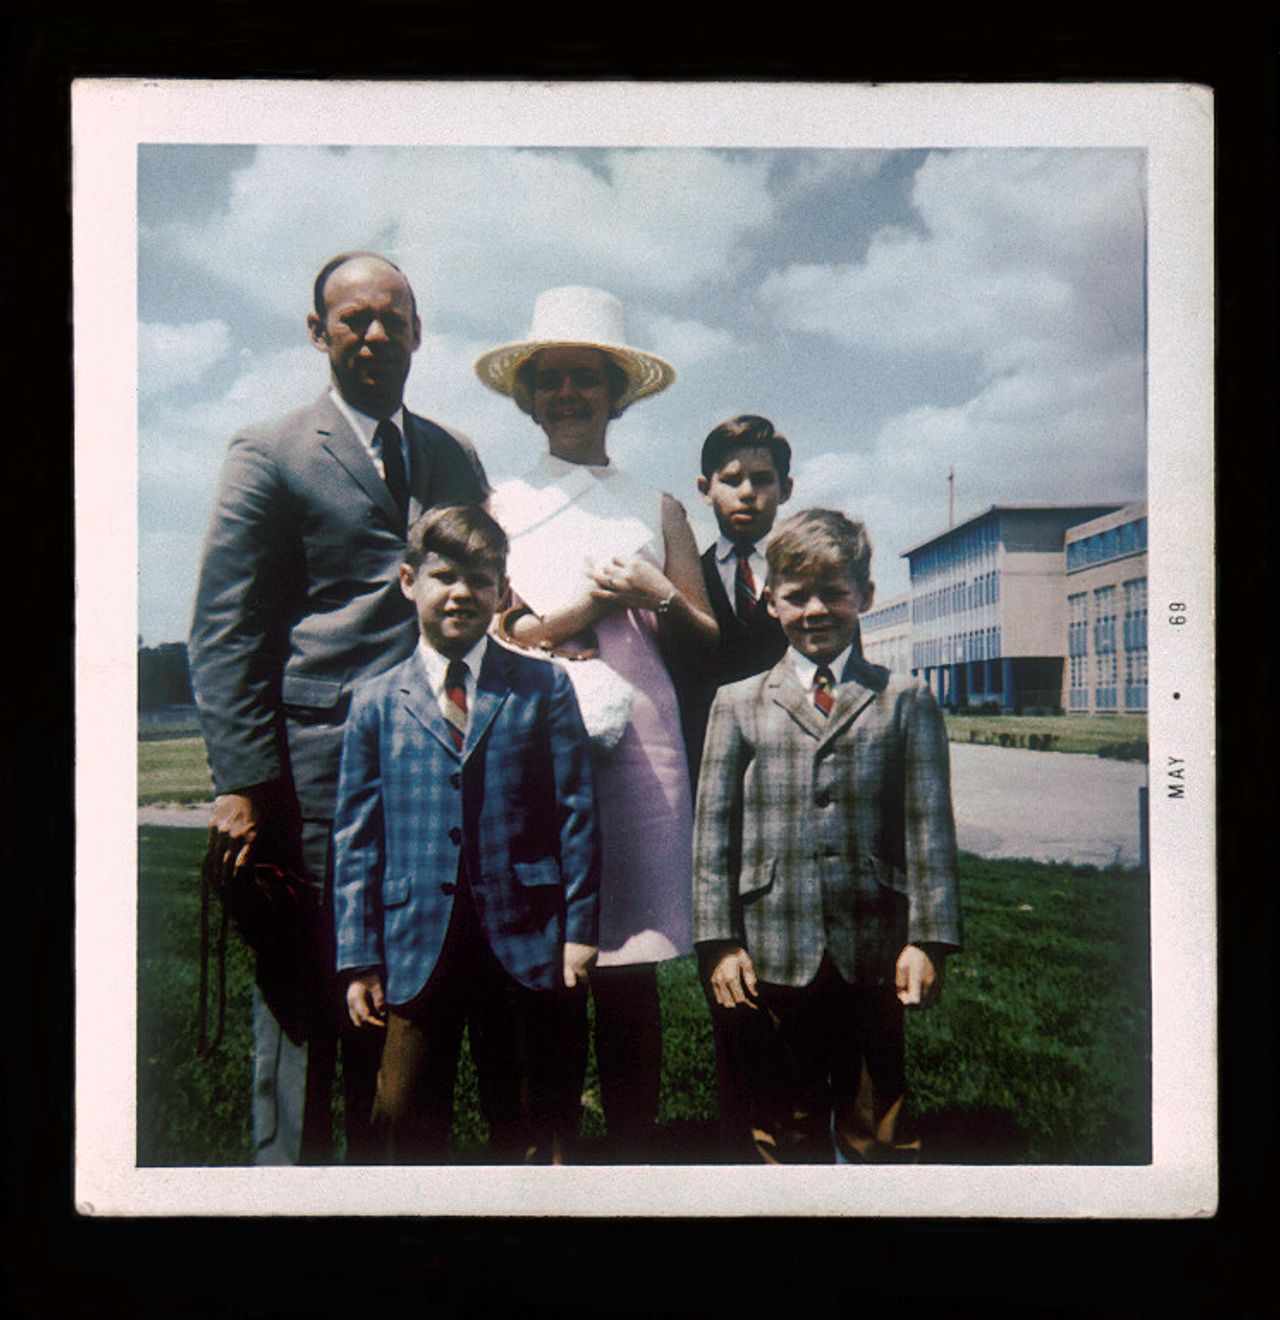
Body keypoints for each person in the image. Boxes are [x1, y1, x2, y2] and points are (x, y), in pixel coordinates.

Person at [188, 251, 489, 1164]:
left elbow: (478, 597)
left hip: (434, 778)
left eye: (392, 318)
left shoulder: (452, 454)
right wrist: (246, 783)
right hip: (313, 781)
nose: (373, 333)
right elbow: (225, 627)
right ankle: (287, 1204)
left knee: (404, 1011)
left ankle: (392, 1201)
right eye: (352, 318)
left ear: (418, 333)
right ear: (317, 332)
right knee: (305, 1013)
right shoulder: (270, 451)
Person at [474, 286, 718, 1159]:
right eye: (551, 381)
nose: (568, 395)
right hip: (534, 751)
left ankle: (632, 1149)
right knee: (545, 952)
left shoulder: (657, 508)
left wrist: (654, 592)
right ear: (528, 397)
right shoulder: (500, 505)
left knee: (627, 969)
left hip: (642, 752)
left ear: (618, 393)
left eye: (587, 379)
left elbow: (704, 637)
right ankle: (546, 1147)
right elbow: (490, 630)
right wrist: (573, 611)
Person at [692, 509, 963, 1162]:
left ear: (864, 596)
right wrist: (719, 942)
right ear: (769, 599)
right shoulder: (738, 702)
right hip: (774, 947)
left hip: (875, 948)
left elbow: (929, 830)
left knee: (881, 1128)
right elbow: (712, 838)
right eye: (797, 594)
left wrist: (928, 940)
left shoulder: (905, 699)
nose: (816, 610)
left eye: (835, 593)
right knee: (782, 1126)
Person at [333, 505, 599, 1163]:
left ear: (503, 592)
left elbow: (577, 812)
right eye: (443, 576)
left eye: (480, 579)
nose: (460, 594)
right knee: (402, 1117)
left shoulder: (543, 685)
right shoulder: (375, 701)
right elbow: (356, 838)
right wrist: (358, 954)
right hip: (414, 943)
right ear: (407, 581)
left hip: (526, 933)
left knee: (536, 1119)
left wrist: (581, 931)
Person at [674, 414, 794, 1159]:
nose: (747, 492)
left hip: (786, 793)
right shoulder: (688, 576)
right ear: (705, 488)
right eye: (731, 479)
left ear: (786, 488)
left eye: (763, 479)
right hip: (706, 789)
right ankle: (734, 1136)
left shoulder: (798, 573)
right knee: (725, 965)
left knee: (789, 964)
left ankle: (796, 1126)